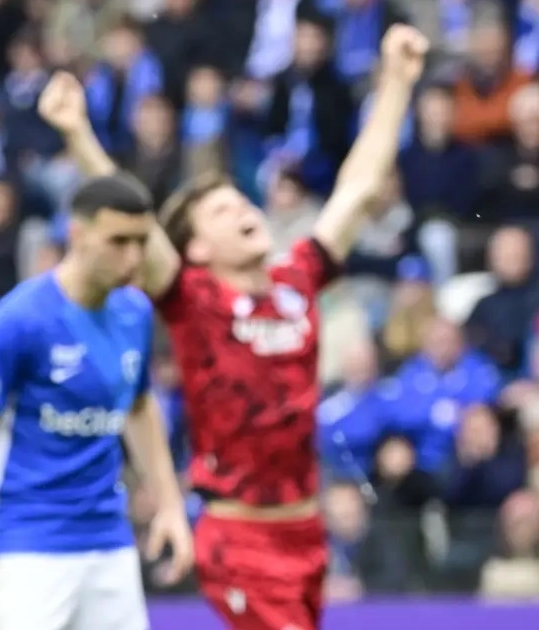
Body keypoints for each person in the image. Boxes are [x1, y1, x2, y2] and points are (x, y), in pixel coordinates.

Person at [36, 25, 429, 630]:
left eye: (242, 201)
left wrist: (397, 81)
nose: (244, 209)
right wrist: (78, 132)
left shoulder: (299, 277)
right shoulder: (193, 299)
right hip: (239, 537)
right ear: (194, 249)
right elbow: (135, 220)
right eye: (221, 210)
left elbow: (358, 187)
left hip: (307, 530)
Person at [0, 173, 195, 630]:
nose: (134, 257)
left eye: (141, 241)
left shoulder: (135, 312)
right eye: (119, 241)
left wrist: (170, 505)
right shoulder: (20, 318)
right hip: (26, 539)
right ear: (77, 234)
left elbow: (138, 406)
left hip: (109, 537)